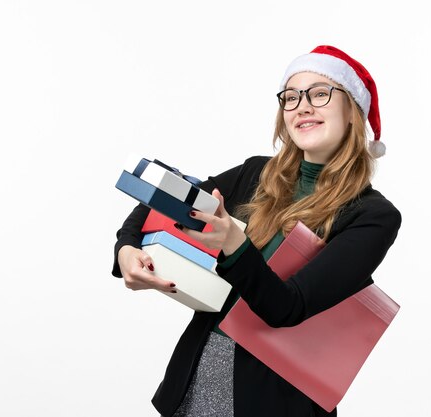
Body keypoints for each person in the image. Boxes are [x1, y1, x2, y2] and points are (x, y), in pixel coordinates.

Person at [112, 45, 402, 417]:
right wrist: (126, 250)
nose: (303, 106)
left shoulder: (373, 216)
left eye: (320, 93)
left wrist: (235, 244)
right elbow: (167, 197)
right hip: (203, 369)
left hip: (277, 396)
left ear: (352, 113)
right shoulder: (256, 174)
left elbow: (286, 307)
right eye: (292, 97)